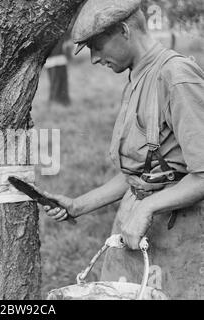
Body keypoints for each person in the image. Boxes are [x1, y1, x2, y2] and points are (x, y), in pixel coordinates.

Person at [41, 0, 204, 299]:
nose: (93, 59)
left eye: (96, 46)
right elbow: (141, 172)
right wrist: (77, 205)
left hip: (180, 238)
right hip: (136, 232)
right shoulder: (137, 77)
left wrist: (147, 207)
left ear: (124, 30)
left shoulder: (176, 76)